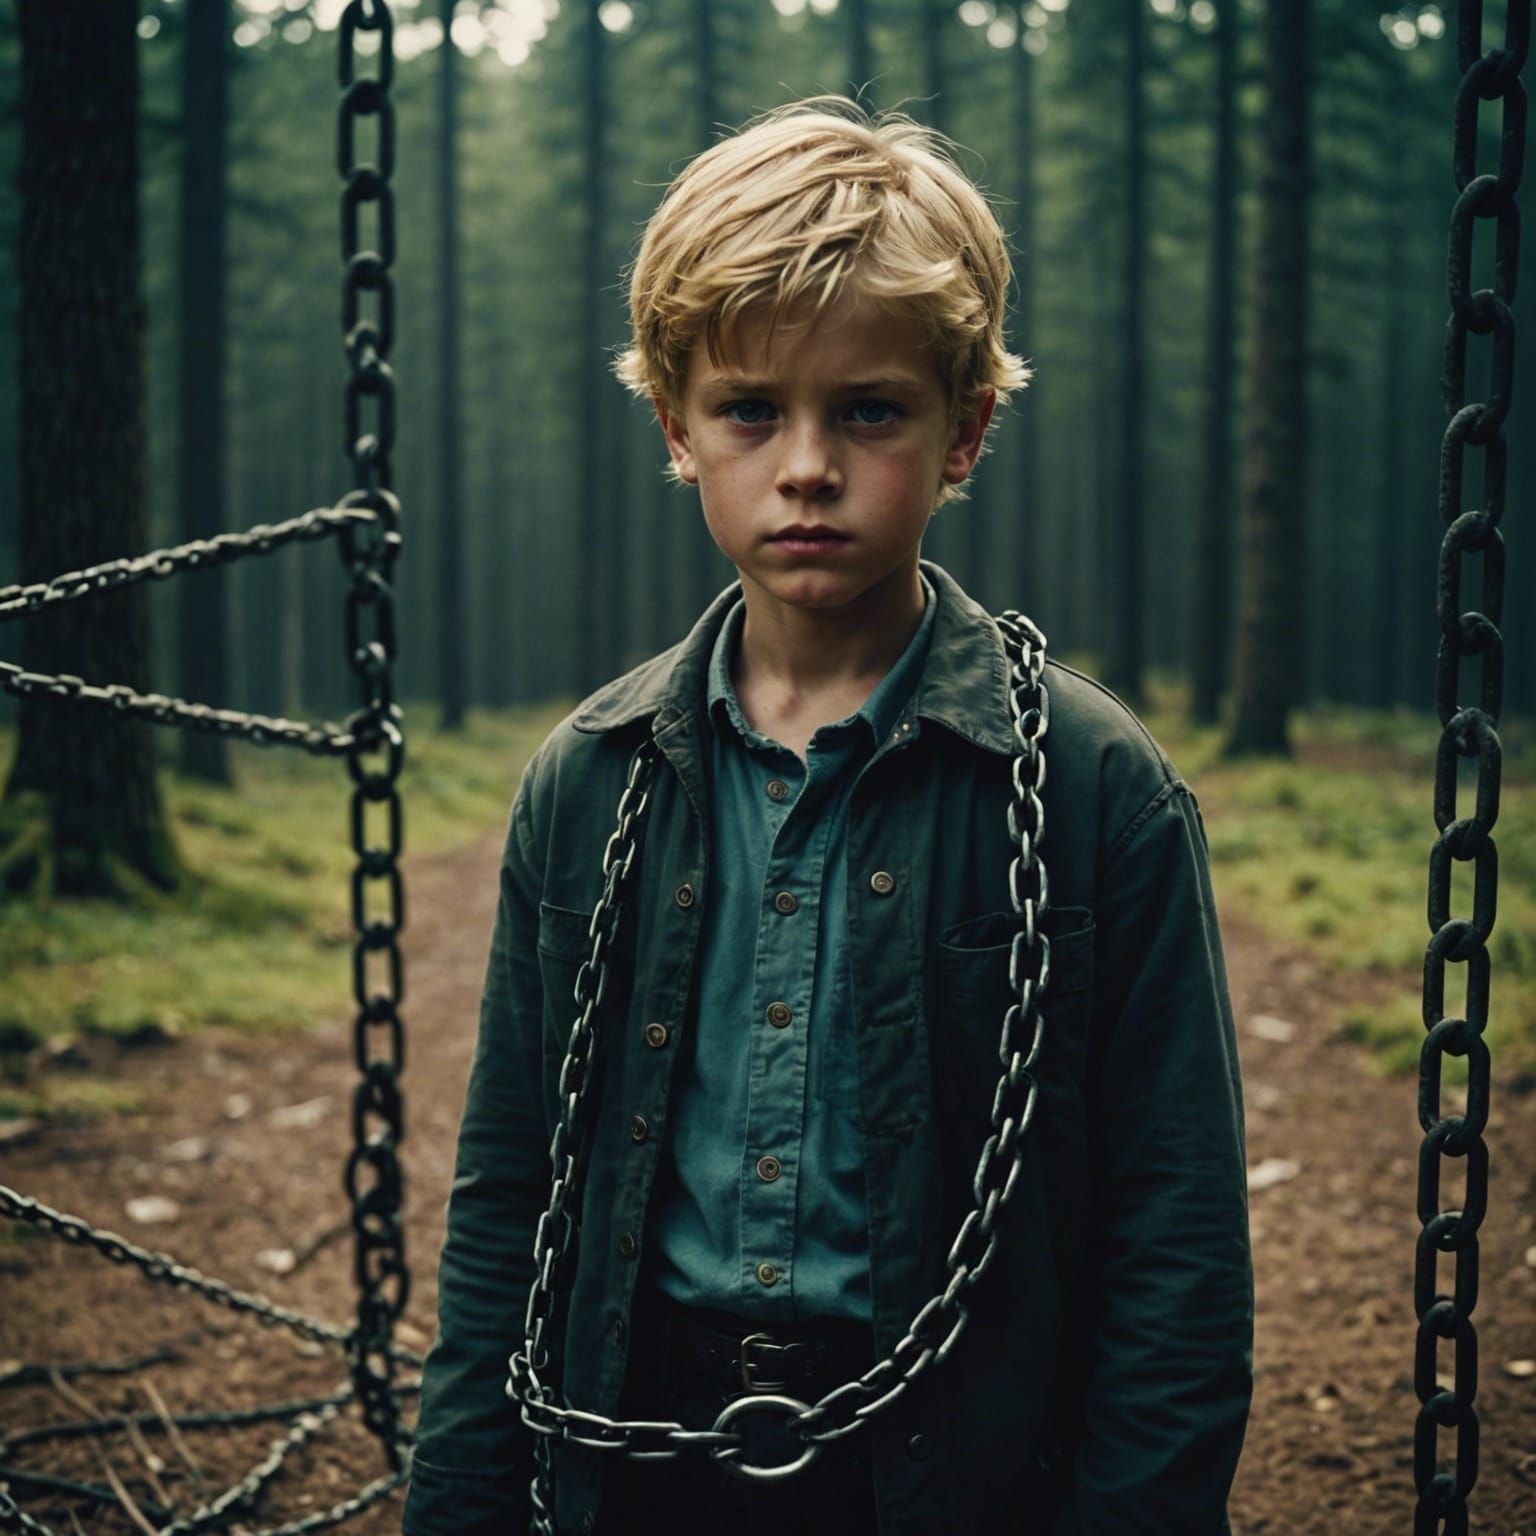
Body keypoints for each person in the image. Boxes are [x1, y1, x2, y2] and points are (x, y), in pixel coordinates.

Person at [401, 94, 1252, 1536]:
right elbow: (513, 1194)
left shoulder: (1095, 791)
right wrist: (464, 1501)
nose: (807, 466)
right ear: (677, 429)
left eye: (869, 410)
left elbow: (1174, 1243)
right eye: (751, 411)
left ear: (965, 428)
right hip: (641, 1443)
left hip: (960, 1459)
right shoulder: (591, 778)